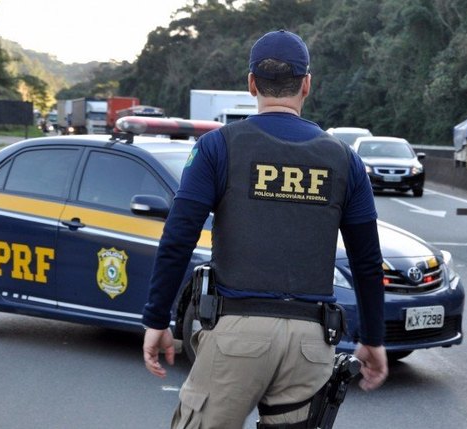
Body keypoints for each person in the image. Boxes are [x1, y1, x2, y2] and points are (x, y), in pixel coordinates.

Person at [142, 29, 388, 428]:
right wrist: (373, 339)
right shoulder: (345, 160)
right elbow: (367, 261)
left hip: (235, 335)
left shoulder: (217, 147)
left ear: (251, 83)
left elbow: (178, 238)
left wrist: (157, 319)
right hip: (311, 343)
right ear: (306, 85)